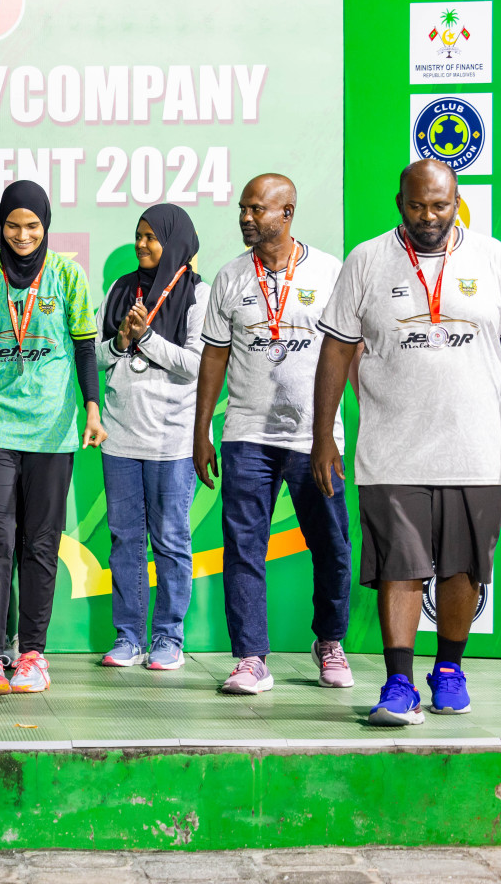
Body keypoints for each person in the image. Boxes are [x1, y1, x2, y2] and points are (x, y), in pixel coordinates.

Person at [313, 158, 501, 726]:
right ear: (401, 203)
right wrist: (323, 437)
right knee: (400, 566)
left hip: (474, 447)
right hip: (391, 447)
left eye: (440, 205)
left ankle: (449, 669)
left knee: (463, 569)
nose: (429, 216)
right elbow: (336, 352)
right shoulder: (366, 261)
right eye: (417, 206)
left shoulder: (493, 260)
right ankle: (397, 683)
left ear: (456, 200)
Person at [0, 180, 104, 699]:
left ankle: (31, 653)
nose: (23, 234)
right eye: (13, 225)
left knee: (39, 544)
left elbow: (84, 350)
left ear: (45, 226)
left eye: (32, 225)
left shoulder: (68, 275)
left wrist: (93, 408)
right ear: (2, 225)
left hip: (53, 429)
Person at [194, 174, 353, 695]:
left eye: (257, 209)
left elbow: (353, 352)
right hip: (247, 434)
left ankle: (329, 641)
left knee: (331, 546)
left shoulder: (332, 273)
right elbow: (214, 356)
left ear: (286, 214)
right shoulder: (230, 278)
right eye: (243, 208)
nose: (246, 217)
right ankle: (250, 658)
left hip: (316, 437)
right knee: (243, 547)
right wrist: (202, 431)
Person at [97, 204, 207, 673]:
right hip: (119, 438)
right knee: (124, 541)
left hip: (172, 440)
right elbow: (98, 360)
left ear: (175, 240)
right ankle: (128, 637)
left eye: (151, 237)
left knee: (170, 540)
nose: (142, 244)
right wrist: (122, 341)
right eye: (138, 235)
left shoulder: (197, 294)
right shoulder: (119, 289)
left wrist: (147, 340)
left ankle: (168, 637)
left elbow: (201, 365)